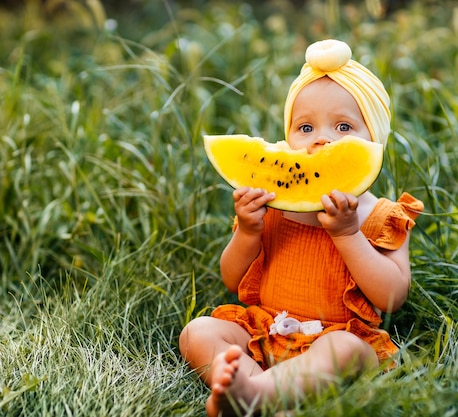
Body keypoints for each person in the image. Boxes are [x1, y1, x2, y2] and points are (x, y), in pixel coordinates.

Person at [179, 39, 423, 417]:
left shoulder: (381, 215)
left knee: (345, 351)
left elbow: (391, 296)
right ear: (287, 139)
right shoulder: (273, 204)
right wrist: (247, 230)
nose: (322, 139)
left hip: (336, 340)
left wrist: (346, 234)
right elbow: (232, 279)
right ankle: (252, 389)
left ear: (374, 140)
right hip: (266, 332)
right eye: (305, 126)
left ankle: (256, 394)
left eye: (343, 126)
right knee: (199, 332)